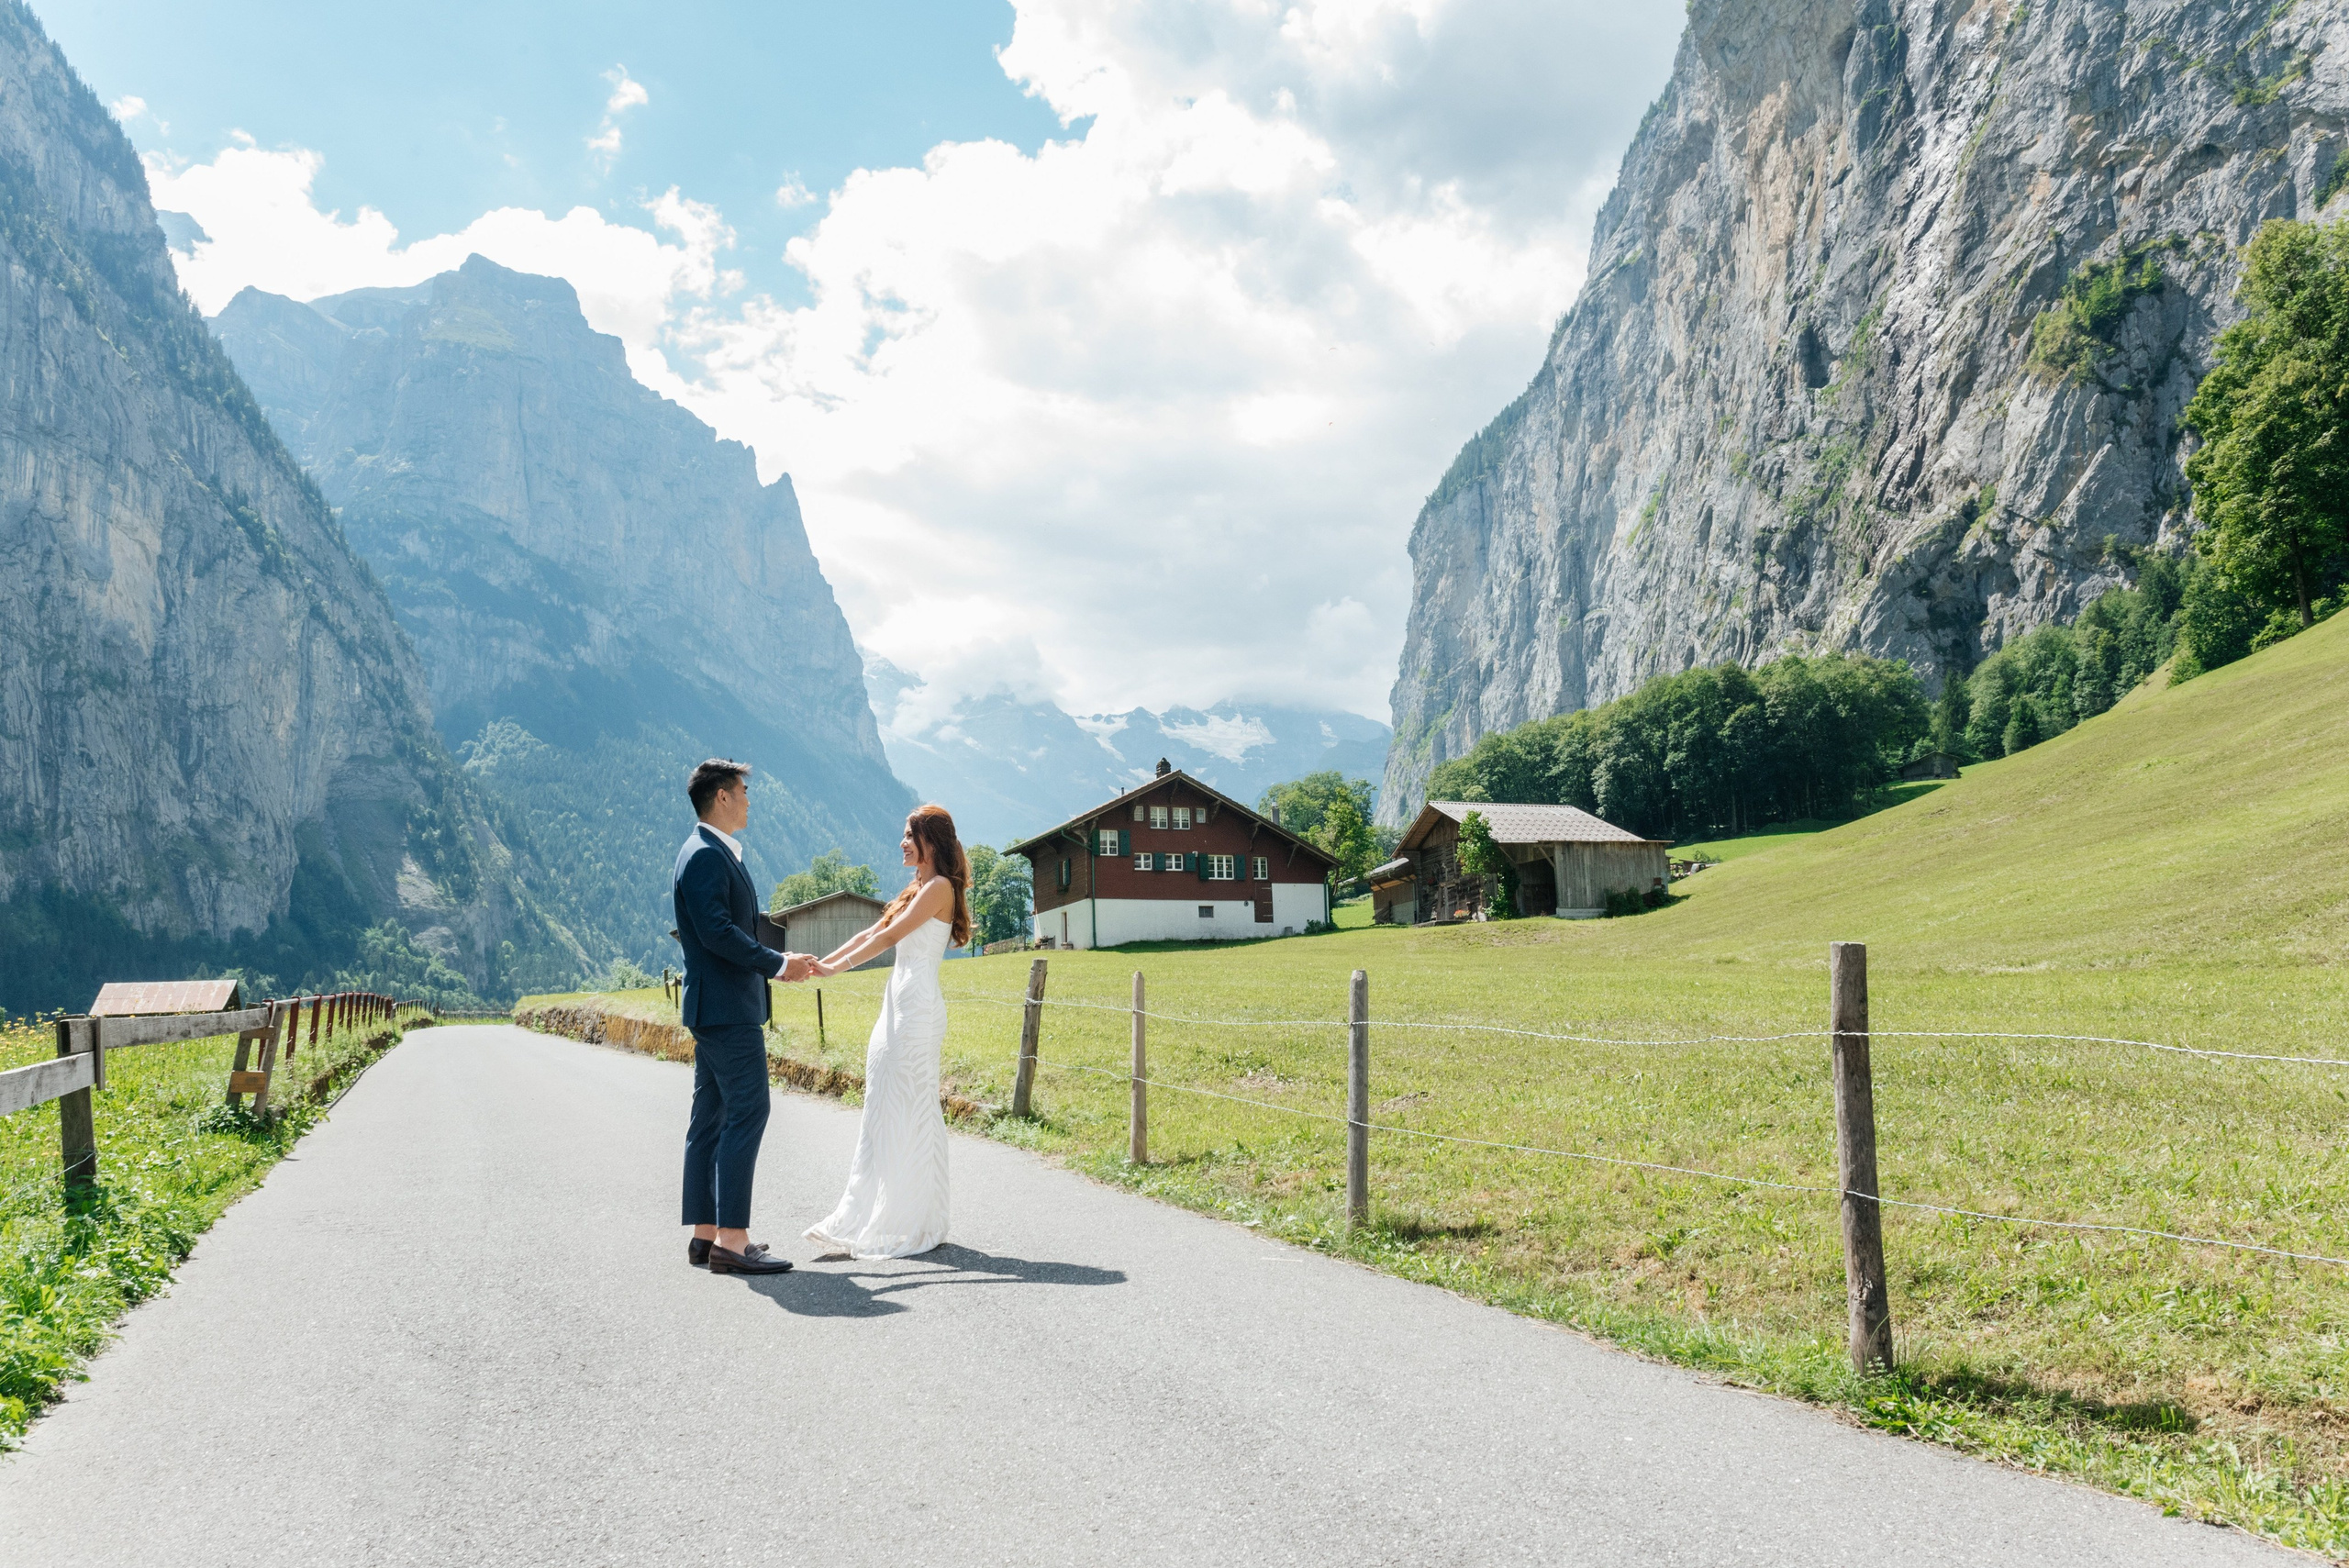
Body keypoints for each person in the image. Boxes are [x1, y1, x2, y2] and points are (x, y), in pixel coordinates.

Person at [803, 804, 968, 1259]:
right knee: (880, 1105)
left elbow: (889, 940)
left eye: (909, 836)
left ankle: (918, 1216)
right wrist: (825, 963)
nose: (902, 843)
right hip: (895, 1003)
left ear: (929, 841)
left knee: (913, 1105)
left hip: (917, 1007)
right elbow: (871, 930)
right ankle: (873, 1211)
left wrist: (836, 971)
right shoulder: (915, 887)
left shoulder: (939, 889)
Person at [674, 758, 813, 1277]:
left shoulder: (708, 851)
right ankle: (733, 1240)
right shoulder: (708, 856)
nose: (750, 800)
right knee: (748, 1113)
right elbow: (718, 933)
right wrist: (778, 963)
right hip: (729, 1011)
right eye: (743, 791)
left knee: (708, 1120)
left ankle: (705, 1235)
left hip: (714, 1008)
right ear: (722, 798)